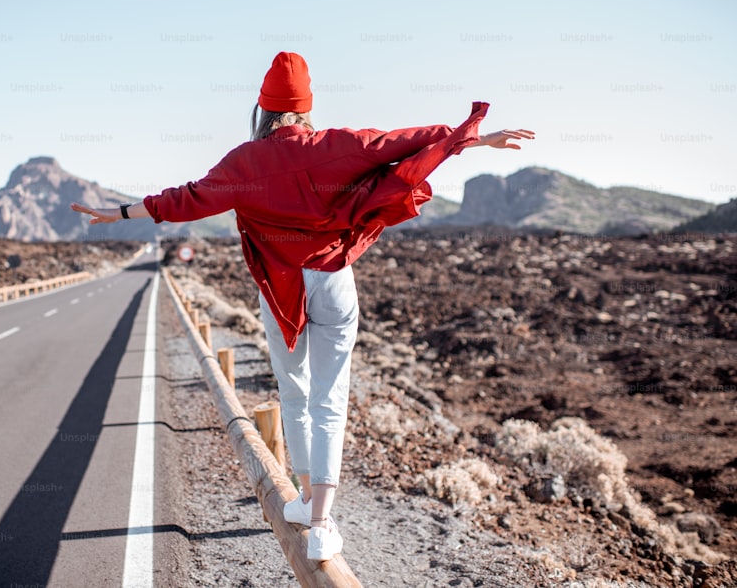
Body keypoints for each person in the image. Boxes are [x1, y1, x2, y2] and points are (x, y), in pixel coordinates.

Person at [72, 51, 533, 561]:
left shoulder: (243, 163)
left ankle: (306, 499)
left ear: (264, 109)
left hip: (281, 288)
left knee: (295, 393)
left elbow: (187, 198)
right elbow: (405, 141)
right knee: (329, 399)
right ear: (305, 105)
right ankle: (320, 522)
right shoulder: (336, 145)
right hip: (333, 281)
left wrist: (118, 213)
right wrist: (470, 137)